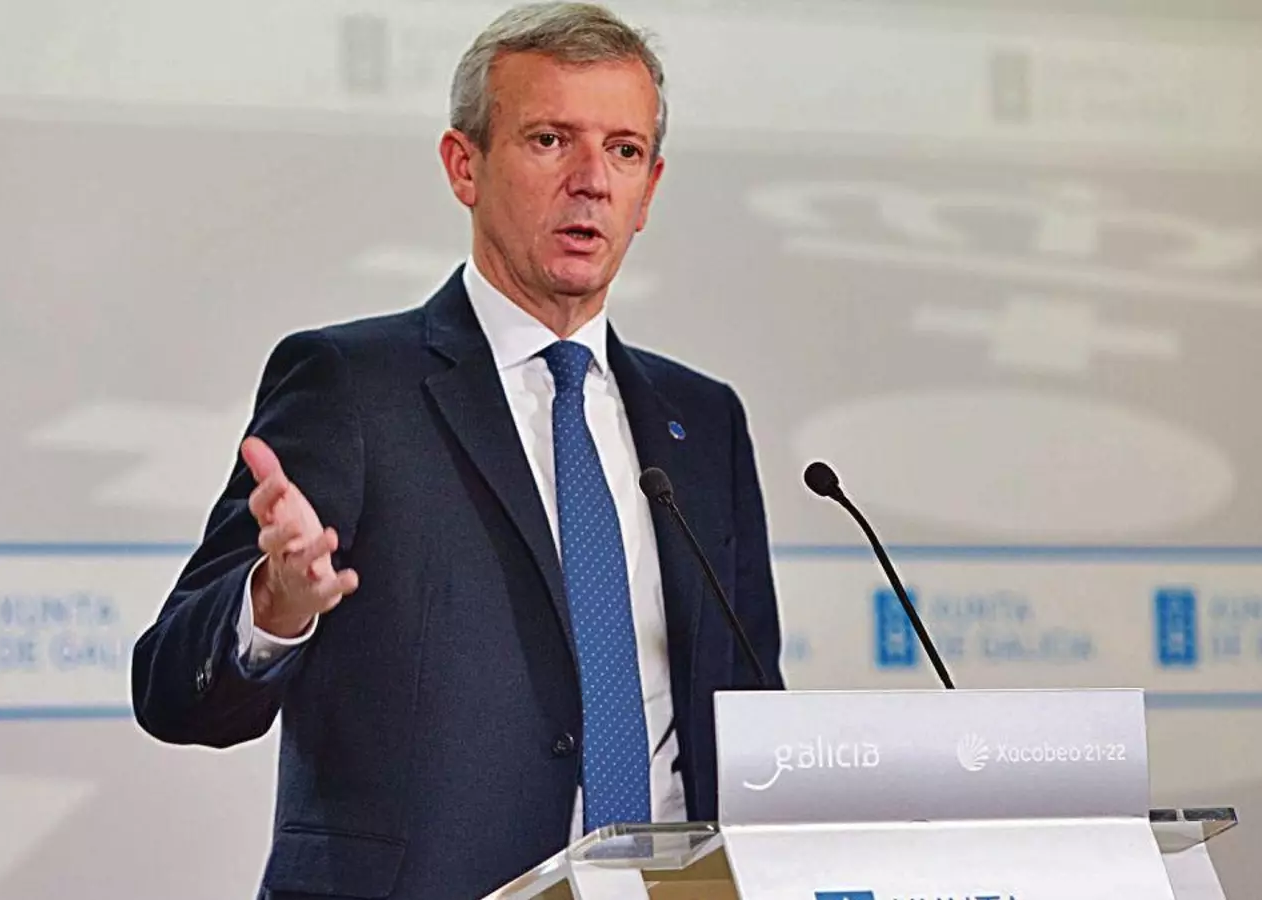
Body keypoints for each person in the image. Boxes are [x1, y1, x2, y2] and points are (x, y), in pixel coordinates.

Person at [130, 3, 783, 897]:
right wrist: (275, 604)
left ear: (651, 188)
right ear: (463, 165)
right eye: (550, 140)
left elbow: (749, 709)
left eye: (625, 150)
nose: (592, 181)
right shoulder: (351, 386)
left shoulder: (702, 423)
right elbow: (172, 689)